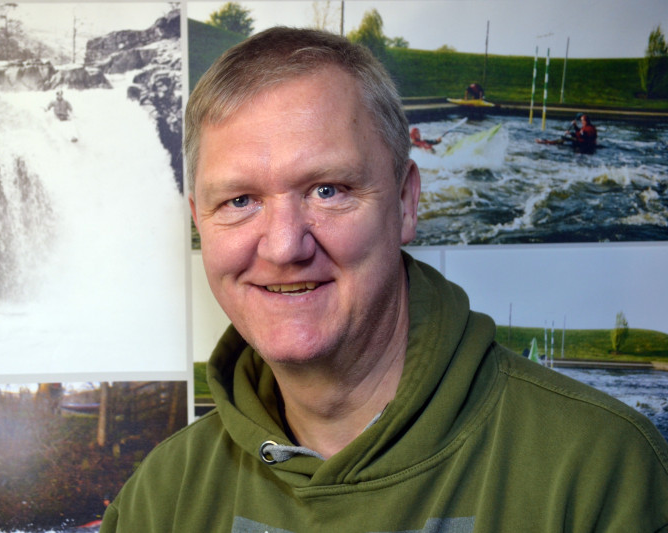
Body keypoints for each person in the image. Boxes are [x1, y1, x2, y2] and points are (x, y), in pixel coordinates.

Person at [101, 28, 668, 532]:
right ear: (200, 221)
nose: (284, 246)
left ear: (405, 202)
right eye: (240, 200)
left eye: (328, 190)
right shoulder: (160, 498)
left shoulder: (598, 471)